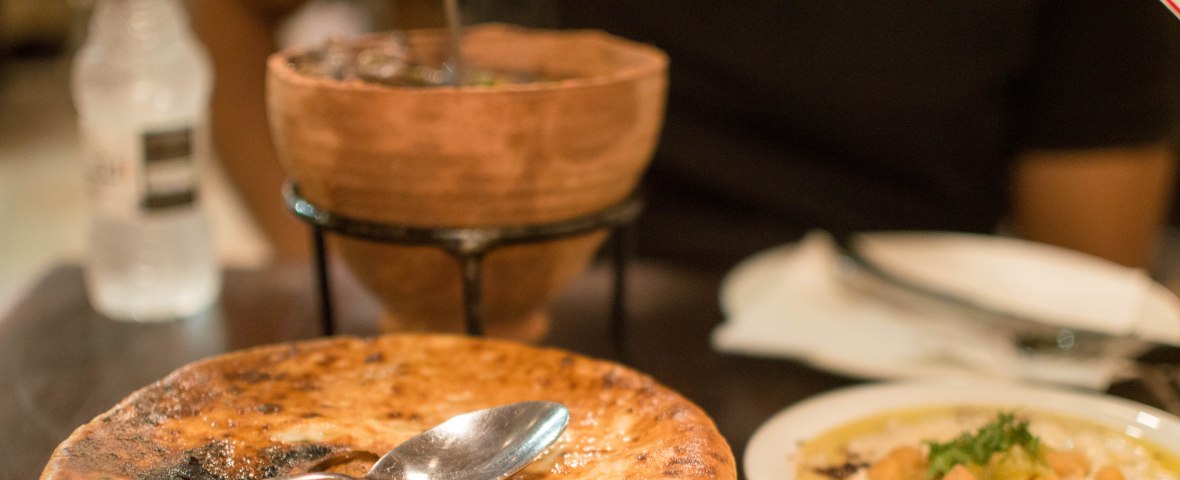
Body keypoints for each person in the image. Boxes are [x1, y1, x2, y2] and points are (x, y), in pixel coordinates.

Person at [189, 0, 1179, 271]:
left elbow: (1083, 276)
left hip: (902, 360)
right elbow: (228, 14)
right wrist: (308, 251)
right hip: (508, 308)